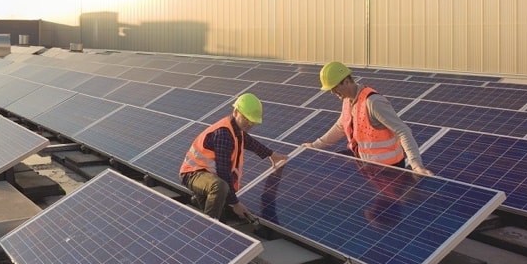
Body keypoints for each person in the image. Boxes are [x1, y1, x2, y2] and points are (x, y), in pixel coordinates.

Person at [301, 61, 433, 176]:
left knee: (389, 204)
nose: (332, 93)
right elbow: (340, 126)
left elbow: (402, 130)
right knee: (333, 165)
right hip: (367, 163)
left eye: (334, 88)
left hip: (389, 168)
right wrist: (315, 145)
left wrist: (416, 165)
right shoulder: (347, 100)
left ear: (346, 82)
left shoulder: (373, 102)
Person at [180, 93, 288, 220]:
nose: (249, 124)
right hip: (193, 174)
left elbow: (249, 142)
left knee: (221, 221)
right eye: (246, 118)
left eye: (252, 121)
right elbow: (224, 173)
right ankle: (207, 229)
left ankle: (211, 227)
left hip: (208, 176)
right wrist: (235, 203)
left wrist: (271, 154)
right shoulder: (224, 134)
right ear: (236, 112)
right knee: (220, 188)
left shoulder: (236, 129)